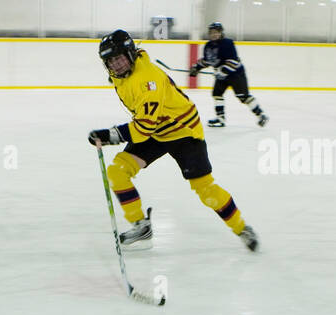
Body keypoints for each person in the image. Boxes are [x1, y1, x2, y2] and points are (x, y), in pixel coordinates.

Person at [88, 29, 258, 252]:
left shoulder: (148, 80)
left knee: (205, 190)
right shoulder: (123, 75)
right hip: (156, 130)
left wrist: (110, 135)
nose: (116, 65)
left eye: (119, 58)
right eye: (110, 61)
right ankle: (141, 225)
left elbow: (143, 128)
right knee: (117, 172)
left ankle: (241, 227)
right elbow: (146, 124)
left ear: (130, 54)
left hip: (183, 132)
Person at [189, 21, 269, 127]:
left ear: (221, 32)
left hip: (236, 74)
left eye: (216, 32)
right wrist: (196, 68)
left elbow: (233, 61)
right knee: (217, 93)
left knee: (243, 97)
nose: (214, 34)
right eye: (212, 32)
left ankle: (261, 115)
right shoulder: (208, 46)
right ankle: (220, 119)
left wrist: (222, 71)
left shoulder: (228, 43)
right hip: (221, 75)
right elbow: (208, 60)